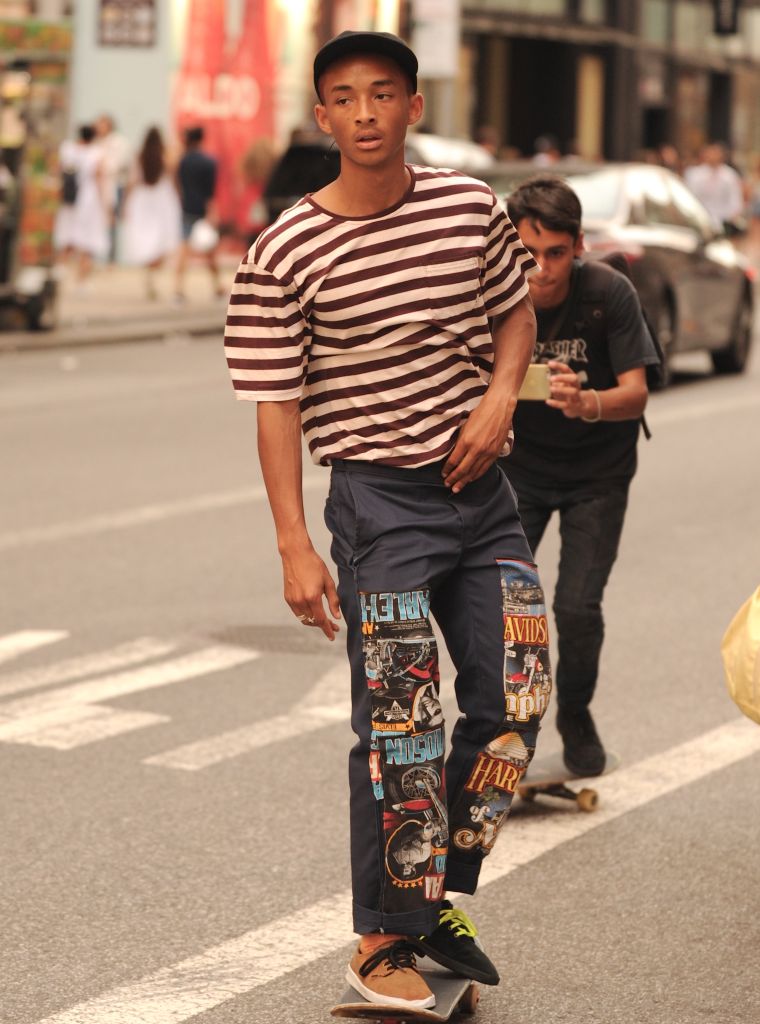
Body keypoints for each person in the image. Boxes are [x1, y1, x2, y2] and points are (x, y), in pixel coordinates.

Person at [224, 30, 550, 1015]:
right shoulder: (287, 247)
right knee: (402, 729)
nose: (364, 112)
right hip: (378, 503)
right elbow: (274, 402)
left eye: (382, 94)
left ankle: (435, 894)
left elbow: (515, 313)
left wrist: (501, 398)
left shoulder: (466, 207)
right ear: (321, 116)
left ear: (413, 105)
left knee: (518, 697)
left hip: (483, 497)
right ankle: (382, 937)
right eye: (343, 97)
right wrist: (293, 543)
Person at [501, 176, 659, 778]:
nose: (540, 270)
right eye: (527, 254)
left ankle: (575, 715)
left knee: (576, 607)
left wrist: (585, 400)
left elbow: (637, 394)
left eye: (556, 254)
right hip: (520, 470)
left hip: (599, 473)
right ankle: (504, 732)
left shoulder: (607, 292)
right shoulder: (495, 298)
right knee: (505, 608)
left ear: (579, 245)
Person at [122, 126, 182, 299]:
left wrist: (126, 204)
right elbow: (173, 177)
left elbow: (132, 181)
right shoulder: (165, 156)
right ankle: (152, 274)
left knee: (147, 238)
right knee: (161, 240)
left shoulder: (139, 157)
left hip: (143, 201)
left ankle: (149, 274)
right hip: (161, 201)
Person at [53, 125, 109, 285]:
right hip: (89, 200)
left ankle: (59, 272)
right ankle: (81, 278)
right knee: (87, 241)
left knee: (66, 237)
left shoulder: (68, 150)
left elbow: (58, 171)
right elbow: (99, 178)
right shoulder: (96, 154)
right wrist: (105, 204)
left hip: (69, 199)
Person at [175, 126, 221, 300]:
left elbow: (179, 186)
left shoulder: (183, 161)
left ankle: (178, 289)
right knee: (210, 252)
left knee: (184, 251)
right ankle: (217, 287)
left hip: (187, 208)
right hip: (202, 210)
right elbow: (210, 191)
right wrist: (212, 212)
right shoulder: (209, 162)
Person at [95, 114, 132, 262]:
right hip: (99, 187)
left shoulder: (119, 143)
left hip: (113, 185)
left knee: (111, 221)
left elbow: (120, 164)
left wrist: (104, 168)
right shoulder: (97, 142)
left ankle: (111, 257)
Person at [684, 142, 744, 231]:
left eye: (716, 153)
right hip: (699, 221)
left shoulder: (729, 175)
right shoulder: (694, 174)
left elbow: (735, 200)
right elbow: (689, 197)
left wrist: (731, 218)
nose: (713, 156)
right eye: (711, 152)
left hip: (723, 222)